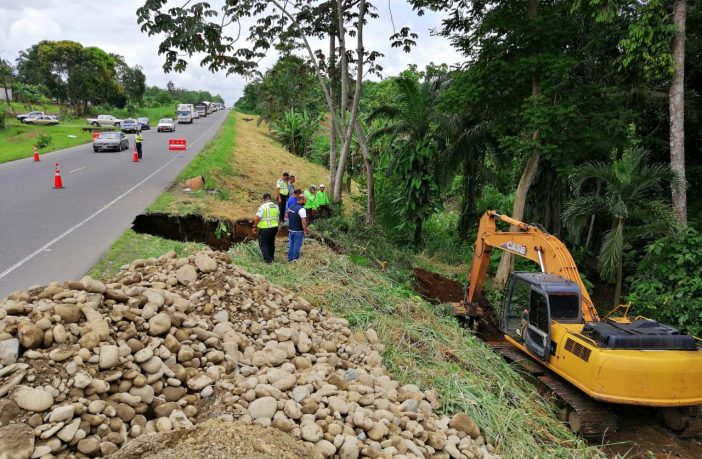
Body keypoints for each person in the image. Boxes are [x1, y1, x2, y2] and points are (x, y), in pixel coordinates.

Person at [252, 193, 279, 263]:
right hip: (274, 228)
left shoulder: (263, 207)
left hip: (265, 229)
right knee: (271, 243)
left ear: (264, 199)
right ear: (270, 198)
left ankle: (268, 261)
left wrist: (254, 226)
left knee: (264, 244)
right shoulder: (276, 206)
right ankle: (271, 258)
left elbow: (257, 218)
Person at [286, 194, 308, 262]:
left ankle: (290, 258)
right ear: (302, 200)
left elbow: (287, 214)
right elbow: (303, 222)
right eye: (305, 200)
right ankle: (294, 259)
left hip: (291, 229)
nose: (305, 202)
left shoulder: (292, 206)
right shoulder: (302, 209)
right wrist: (305, 230)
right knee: (297, 245)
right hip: (298, 231)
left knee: (291, 244)